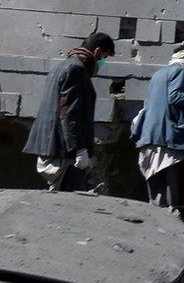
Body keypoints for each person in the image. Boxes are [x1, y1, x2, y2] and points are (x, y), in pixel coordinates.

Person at [24, 32, 115, 192]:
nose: (102, 63)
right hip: (64, 149)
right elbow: (69, 113)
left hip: (53, 144)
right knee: (67, 199)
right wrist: (79, 148)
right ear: (97, 52)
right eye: (104, 58)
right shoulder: (76, 70)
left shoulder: (61, 66)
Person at [132, 42, 184, 212]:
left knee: (155, 191)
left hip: (150, 136)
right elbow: (175, 97)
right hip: (168, 138)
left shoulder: (158, 74)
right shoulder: (179, 71)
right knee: (173, 191)